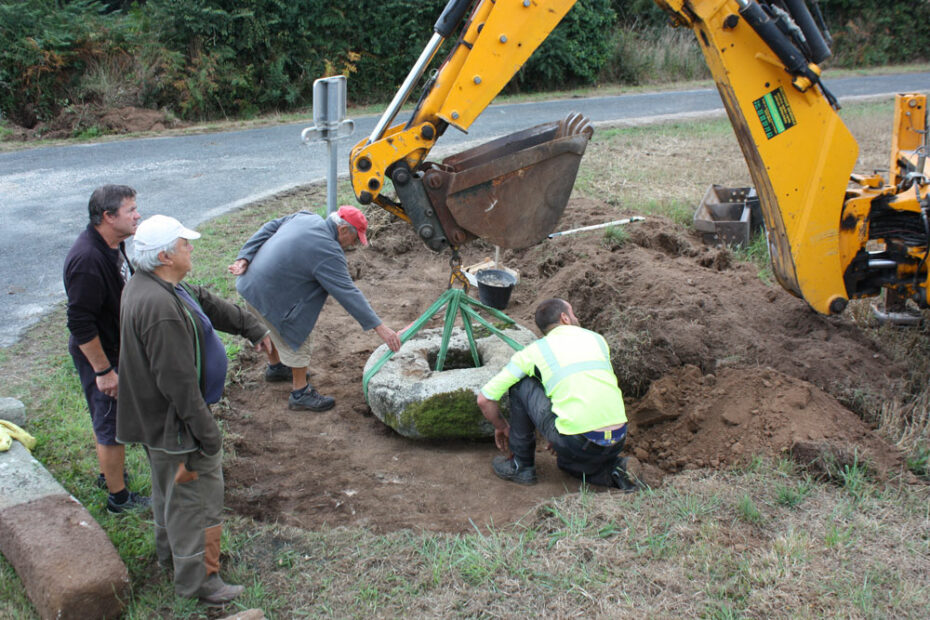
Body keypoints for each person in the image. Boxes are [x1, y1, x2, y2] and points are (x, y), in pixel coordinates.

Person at [117, 215, 272, 605]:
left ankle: (174, 558)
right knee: (195, 501)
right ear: (166, 255)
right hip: (176, 425)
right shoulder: (160, 309)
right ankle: (200, 582)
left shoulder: (155, 284)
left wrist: (252, 328)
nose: (192, 248)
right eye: (185, 244)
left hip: (160, 421)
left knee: (170, 492)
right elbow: (179, 387)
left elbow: (204, 300)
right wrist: (208, 434)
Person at [228, 205, 401, 411]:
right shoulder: (328, 251)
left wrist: (244, 257)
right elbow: (348, 294)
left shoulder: (306, 217)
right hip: (268, 296)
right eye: (355, 238)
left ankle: (276, 368)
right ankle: (300, 393)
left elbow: (269, 226)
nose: (354, 244)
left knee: (268, 327)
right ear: (343, 230)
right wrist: (381, 328)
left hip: (249, 285)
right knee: (299, 329)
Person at [477, 298, 637, 491]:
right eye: (573, 313)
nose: (576, 317)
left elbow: (484, 398)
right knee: (567, 464)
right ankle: (616, 469)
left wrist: (502, 426)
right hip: (618, 437)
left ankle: (521, 466)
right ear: (565, 318)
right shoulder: (597, 339)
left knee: (522, 383)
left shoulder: (535, 352)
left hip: (578, 441)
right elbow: (583, 385)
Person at [63, 184, 151, 514]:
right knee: (110, 421)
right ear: (108, 216)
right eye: (130, 210)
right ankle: (118, 498)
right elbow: (79, 322)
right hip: (100, 352)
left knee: (110, 417)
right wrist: (104, 371)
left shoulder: (113, 244)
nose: (137, 214)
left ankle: (108, 475)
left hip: (114, 345)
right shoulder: (87, 260)